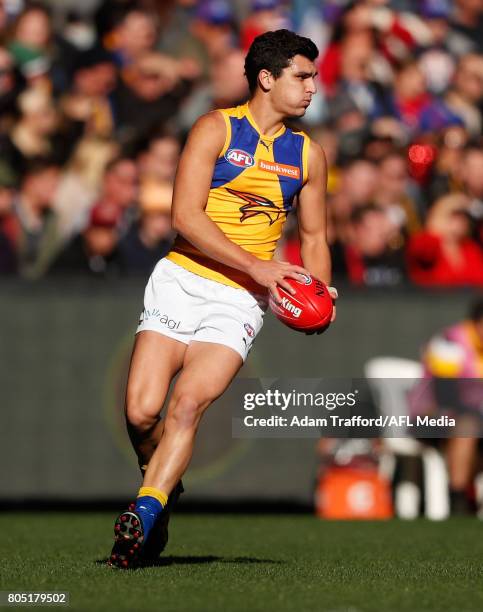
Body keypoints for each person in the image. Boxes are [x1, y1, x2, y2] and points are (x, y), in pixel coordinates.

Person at [107, 29, 337, 569]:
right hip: (182, 279)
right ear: (266, 78)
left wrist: (319, 292)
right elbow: (184, 217)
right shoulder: (215, 128)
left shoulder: (308, 155)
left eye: (314, 77)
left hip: (239, 300)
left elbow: (316, 239)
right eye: (301, 76)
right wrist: (258, 262)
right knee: (141, 413)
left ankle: (143, 513)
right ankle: (162, 488)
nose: (312, 88)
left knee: (187, 405)